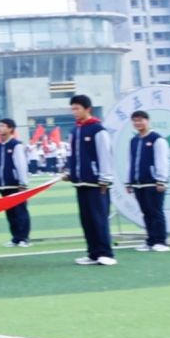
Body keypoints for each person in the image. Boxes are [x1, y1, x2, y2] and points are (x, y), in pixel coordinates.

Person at [64, 95, 117, 266]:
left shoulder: (97, 129)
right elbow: (72, 155)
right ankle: (93, 253)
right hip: (81, 182)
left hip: (96, 183)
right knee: (86, 220)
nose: (74, 112)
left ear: (88, 109)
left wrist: (105, 178)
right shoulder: (75, 130)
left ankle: (105, 253)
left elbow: (105, 155)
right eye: (72, 109)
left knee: (99, 219)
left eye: (77, 108)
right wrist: (70, 172)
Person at [126, 110, 170, 252]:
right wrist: (129, 181)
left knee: (156, 212)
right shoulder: (134, 141)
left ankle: (161, 241)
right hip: (138, 183)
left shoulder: (157, 139)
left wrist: (161, 180)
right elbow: (131, 162)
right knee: (146, 212)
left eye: (140, 120)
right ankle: (150, 241)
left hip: (153, 182)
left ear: (147, 121)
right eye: (135, 121)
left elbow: (162, 161)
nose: (137, 123)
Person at [0, 119, 35, 246]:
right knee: (10, 214)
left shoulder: (16, 145)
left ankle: (24, 238)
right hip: (3, 185)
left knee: (20, 212)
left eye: (2, 126)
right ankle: (15, 237)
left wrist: (23, 183)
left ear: (10, 129)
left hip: (15, 185)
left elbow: (21, 165)